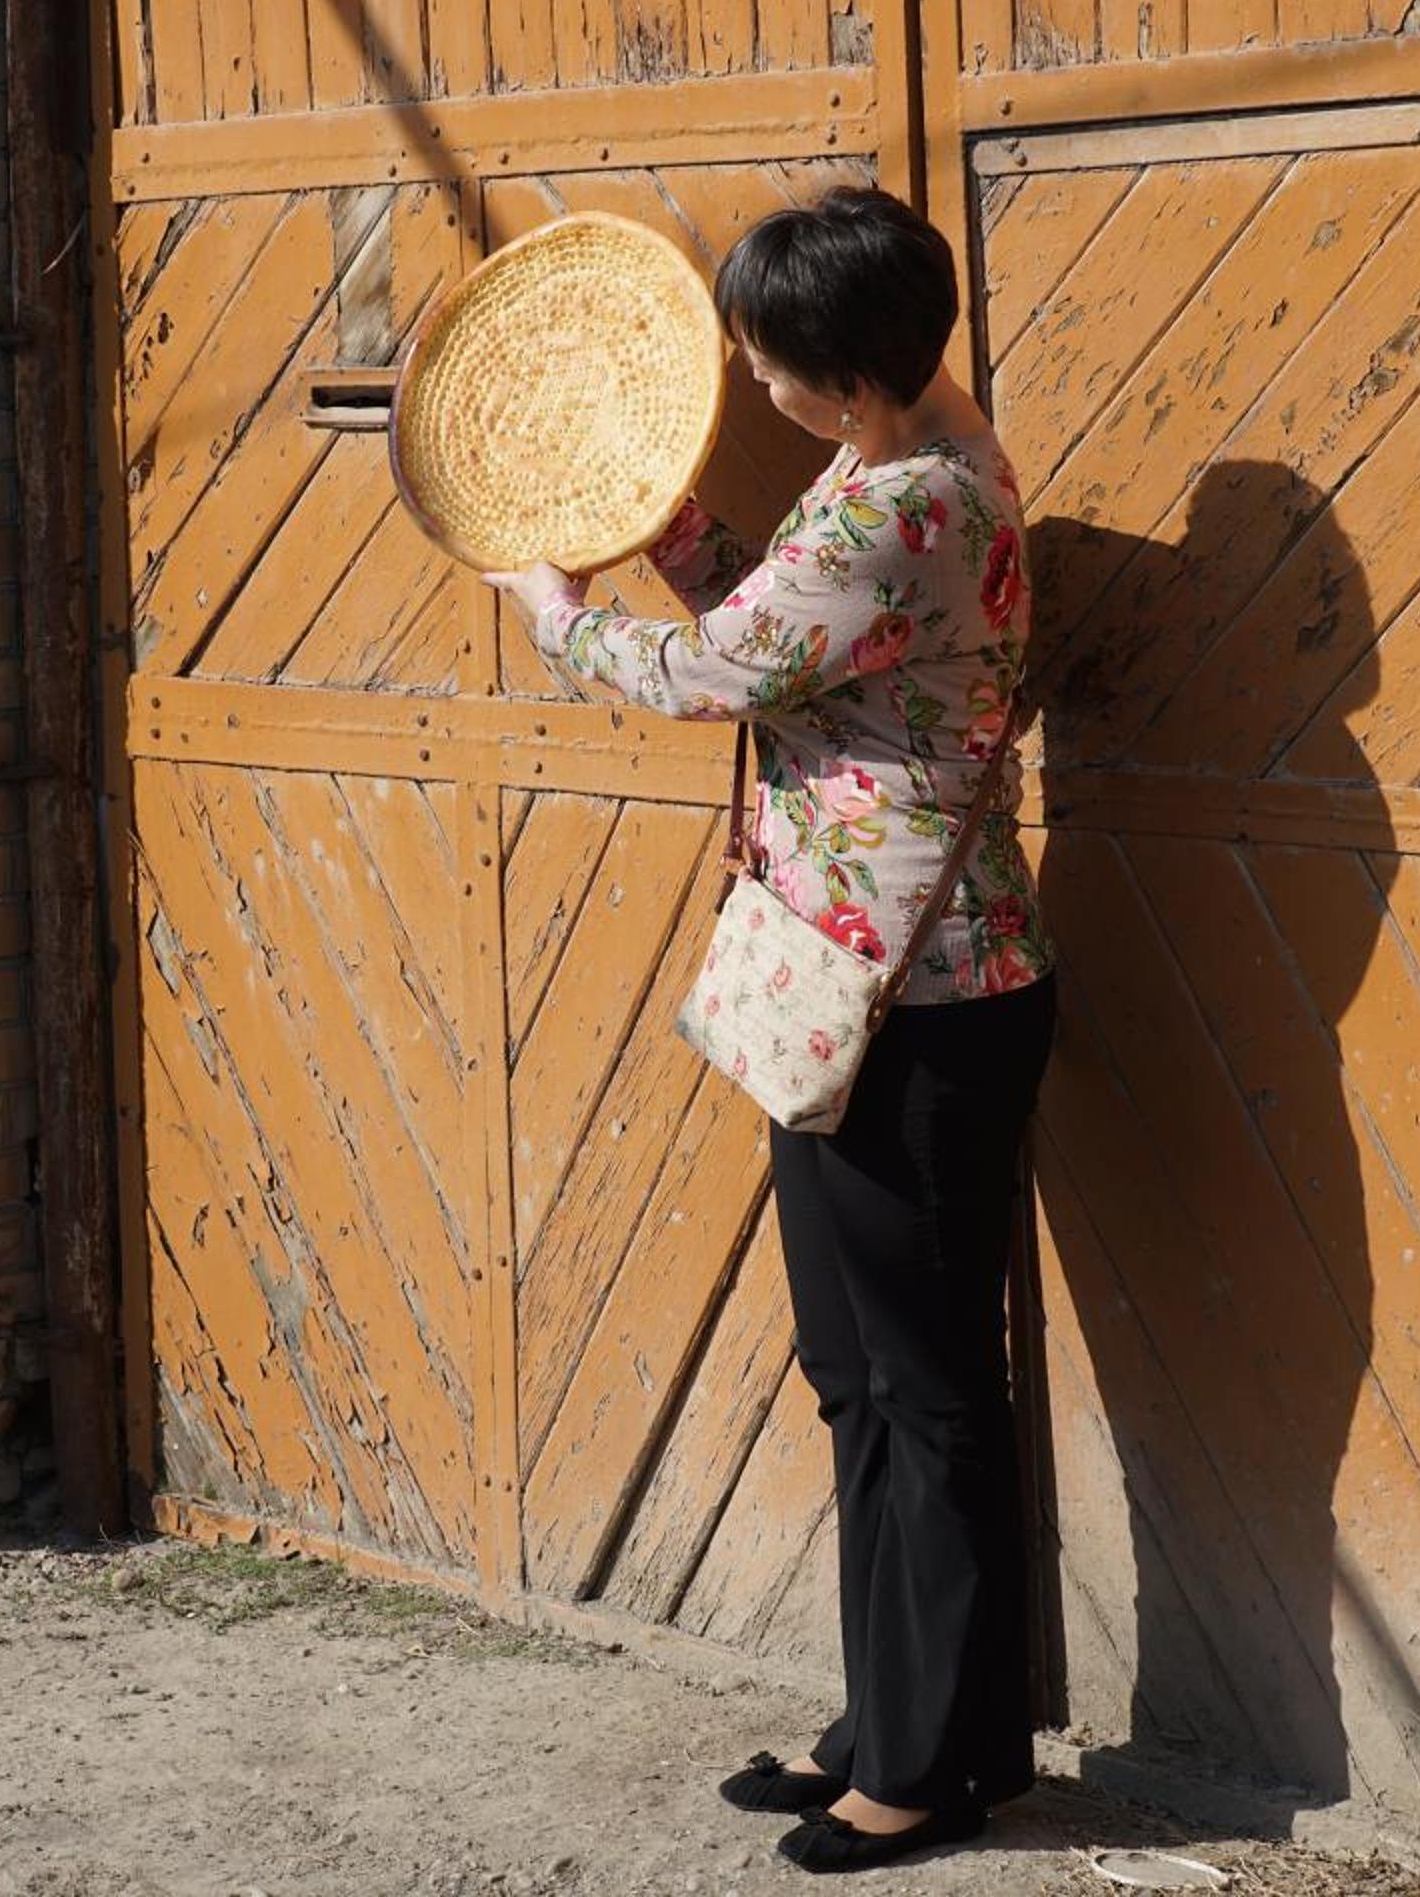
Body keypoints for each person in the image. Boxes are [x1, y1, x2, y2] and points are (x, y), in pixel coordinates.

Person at [480, 185, 1060, 1875]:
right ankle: (897, 1724)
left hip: (917, 999)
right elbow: (783, 626)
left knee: (926, 1387)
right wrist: (668, 532)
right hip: (853, 983)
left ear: (852, 376)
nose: (748, 376)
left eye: (767, 357)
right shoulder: (908, 454)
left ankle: (935, 1769)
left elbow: (716, 676)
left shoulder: (904, 500)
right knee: (860, 1373)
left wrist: (552, 607)